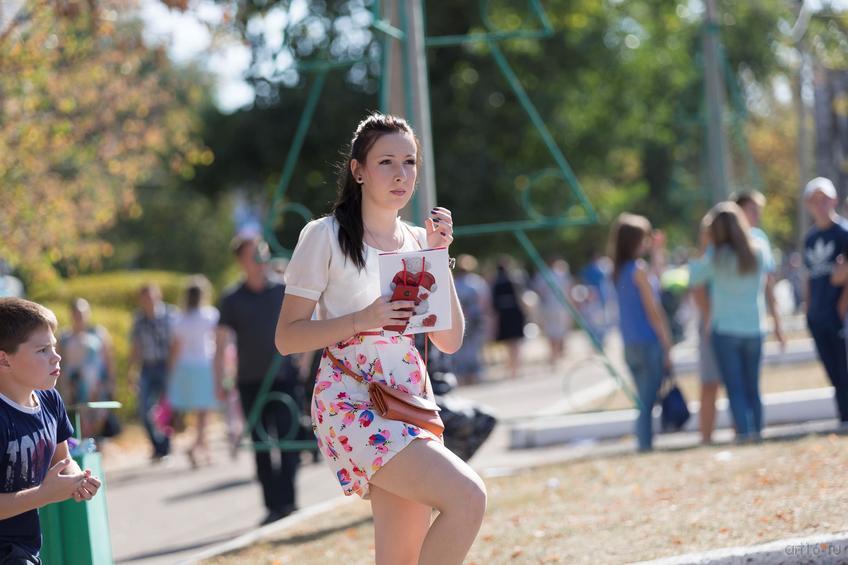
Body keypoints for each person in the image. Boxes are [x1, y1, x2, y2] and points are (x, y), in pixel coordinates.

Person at [275, 113, 486, 565]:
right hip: (351, 400)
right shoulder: (324, 236)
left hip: (407, 399)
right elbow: (287, 338)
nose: (400, 174)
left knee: (400, 557)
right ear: (358, 170)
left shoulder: (417, 240)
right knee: (468, 496)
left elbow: (449, 340)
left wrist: (437, 253)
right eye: (386, 161)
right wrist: (363, 317)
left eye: (409, 162)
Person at [0, 298, 101, 563]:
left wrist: (78, 479)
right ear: (4, 359)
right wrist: (43, 494)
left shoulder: (50, 400)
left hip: (25, 546)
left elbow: (63, 460)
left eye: (54, 347)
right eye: (42, 350)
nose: (56, 356)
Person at [216, 235, 302, 525]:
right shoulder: (232, 299)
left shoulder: (282, 290)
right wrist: (220, 380)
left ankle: (289, 500)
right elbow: (221, 342)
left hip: (285, 377)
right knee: (262, 446)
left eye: (263, 253)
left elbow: (305, 323)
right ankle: (273, 506)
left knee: (290, 440)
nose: (261, 260)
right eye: (255, 255)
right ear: (242, 260)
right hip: (251, 381)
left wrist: (302, 363)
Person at [689, 203, 773, 441]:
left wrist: (704, 246)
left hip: (725, 329)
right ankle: (757, 432)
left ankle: (744, 435)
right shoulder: (758, 251)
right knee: (753, 388)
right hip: (754, 327)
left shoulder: (716, 256)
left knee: (735, 389)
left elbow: (694, 277)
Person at [609, 213, 673, 452]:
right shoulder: (638, 269)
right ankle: (645, 445)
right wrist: (666, 341)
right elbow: (653, 310)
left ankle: (644, 443)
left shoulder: (619, 270)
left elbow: (657, 277)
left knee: (643, 399)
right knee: (647, 403)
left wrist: (657, 251)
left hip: (630, 344)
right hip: (648, 342)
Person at [802, 177, 848, 424]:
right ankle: (843, 418)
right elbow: (809, 277)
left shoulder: (844, 233)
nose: (820, 204)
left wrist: (842, 307)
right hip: (818, 316)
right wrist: (808, 310)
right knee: (833, 373)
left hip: (839, 315)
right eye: (815, 200)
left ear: (834, 200)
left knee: (845, 370)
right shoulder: (809, 238)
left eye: (825, 198)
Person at [167, 276, 219, 468]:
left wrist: (171, 372)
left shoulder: (179, 319)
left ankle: (204, 451)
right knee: (204, 413)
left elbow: (175, 348)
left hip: (185, 367)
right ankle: (197, 446)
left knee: (198, 412)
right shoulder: (210, 315)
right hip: (204, 365)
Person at [731, 190, 786, 348]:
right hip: (728, 325)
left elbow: (768, 280)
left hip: (754, 320)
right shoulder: (724, 240)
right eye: (752, 209)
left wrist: (777, 322)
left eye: (758, 210)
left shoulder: (760, 238)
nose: (757, 214)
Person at [56, 298, 117, 438]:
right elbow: (59, 361)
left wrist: (111, 382)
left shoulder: (99, 333)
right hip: (72, 386)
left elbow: (108, 359)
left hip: (96, 385)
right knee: (76, 416)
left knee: (97, 415)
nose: (79, 316)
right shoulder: (64, 336)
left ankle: (94, 443)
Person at [129, 283, 176, 461]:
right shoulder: (138, 320)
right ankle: (157, 445)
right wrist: (131, 371)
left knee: (167, 408)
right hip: (147, 367)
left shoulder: (170, 316)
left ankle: (166, 446)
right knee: (144, 409)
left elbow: (176, 344)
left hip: (166, 366)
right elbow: (135, 347)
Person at [452, 254, 491, 384]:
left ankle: (463, 374)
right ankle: (475, 373)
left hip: (461, 316)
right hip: (475, 316)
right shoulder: (477, 282)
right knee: (475, 346)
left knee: (461, 347)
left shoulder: (455, 282)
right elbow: (484, 301)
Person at [530, 257, 573, 367]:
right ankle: (557, 354)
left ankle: (553, 355)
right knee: (559, 331)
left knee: (551, 331)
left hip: (548, 306)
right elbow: (568, 291)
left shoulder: (542, 276)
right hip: (560, 306)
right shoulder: (561, 275)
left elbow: (539, 292)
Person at [491, 258, 526, 379]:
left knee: (508, 343)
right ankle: (515, 367)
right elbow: (520, 297)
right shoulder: (513, 281)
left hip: (503, 314)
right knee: (515, 342)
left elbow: (494, 303)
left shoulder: (495, 283)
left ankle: (512, 367)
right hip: (514, 312)